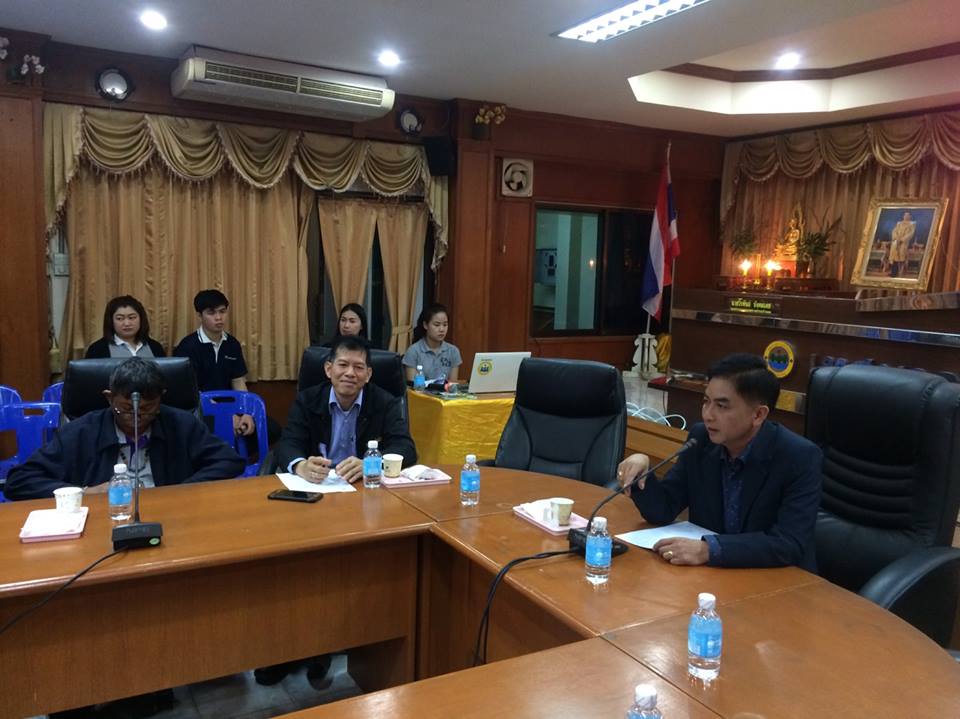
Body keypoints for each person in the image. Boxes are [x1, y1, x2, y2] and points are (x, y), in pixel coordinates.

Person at [262, 335, 416, 687]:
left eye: (359, 367)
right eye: (343, 365)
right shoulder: (308, 399)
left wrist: (372, 462)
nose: (350, 373)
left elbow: (406, 448)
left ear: (369, 374)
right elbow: (288, 444)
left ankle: (330, 644)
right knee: (296, 569)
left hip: (363, 501)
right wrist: (300, 465)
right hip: (312, 500)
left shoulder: (385, 402)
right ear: (328, 369)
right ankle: (287, 647)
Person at [617, 353, 821, 571]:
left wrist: (710, 549)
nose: (708, 415)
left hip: (778, 579)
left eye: (722, 406)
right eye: (706, 402)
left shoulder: (799, 456)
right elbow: (663, 509)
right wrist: (642, 474)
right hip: (713, 575)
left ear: (758, 415)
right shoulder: (701, 440)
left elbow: (788, 544)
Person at [4, 358, 245, 500]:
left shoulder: (181, 424)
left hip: (172, 516)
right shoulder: (81, 431)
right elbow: (19, 481)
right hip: (102, 520)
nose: (137, 417)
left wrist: (180, 490)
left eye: (148, 408)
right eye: (127, 409)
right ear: (109, 398)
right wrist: (83, 492)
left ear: (161, 398)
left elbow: (229, 461)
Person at [174, 289, 255, 438]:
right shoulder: (187, 347)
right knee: (220, 428)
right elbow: (190, 391)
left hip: (231, 406)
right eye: (211, 313)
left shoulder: (232, 344)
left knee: (268, 428)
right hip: (201, 409)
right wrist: (224, 414)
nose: (218, 318)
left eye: (222, 311)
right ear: (200, 316)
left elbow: (238, 381)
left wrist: (246, 412)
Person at [84, 295, 166, 359]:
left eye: (132, 317)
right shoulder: (97, 350)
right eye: (120, 318)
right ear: (111, 321)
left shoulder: (155, 347)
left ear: (141, 319)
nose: (127, 323)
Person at [402, 303, 462, 383]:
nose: (442, 329)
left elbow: (452, 384)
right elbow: (412, 385)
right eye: (437, 325)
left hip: (445, 391)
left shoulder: (453, 351)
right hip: (421, 391)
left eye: (445, 325)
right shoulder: (413, 351)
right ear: (425, 325)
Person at [889, 211, 915, 277]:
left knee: (901, 257)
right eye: (905, 215)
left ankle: (900, 273)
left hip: (903, 243)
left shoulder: (912, 224)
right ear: (903, 216)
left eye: (908, 215)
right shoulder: (899, 223)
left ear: (910, 216)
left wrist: (902, 240)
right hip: (896, 242)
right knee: (894, 257)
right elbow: (894, 231)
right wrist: (896, 238)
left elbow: (910, 234)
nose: (906, 216)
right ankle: (893, 272)